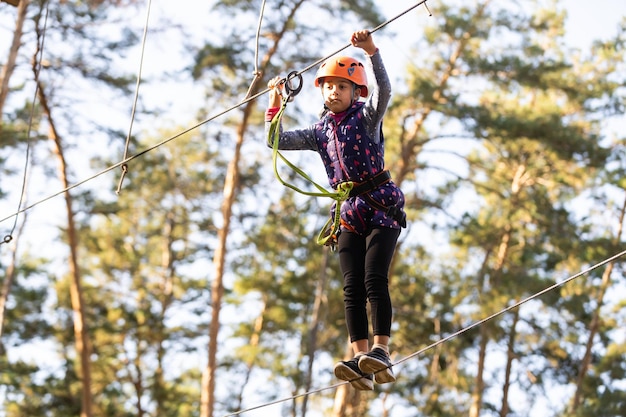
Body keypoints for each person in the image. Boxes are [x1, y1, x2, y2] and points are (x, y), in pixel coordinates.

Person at [265, 30, 406, 391]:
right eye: (328, 86)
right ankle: (361, 358)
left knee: (374, 277)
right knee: (350, 287)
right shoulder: (319, 131)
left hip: (380, 207)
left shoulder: (367, 118)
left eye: (342, 87)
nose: (334, 92)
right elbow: (276, 140)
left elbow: (384, 92)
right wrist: (276, 105)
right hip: (348, 213)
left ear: (355, 92)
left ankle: (381, 349)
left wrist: (372, 52)